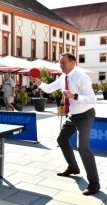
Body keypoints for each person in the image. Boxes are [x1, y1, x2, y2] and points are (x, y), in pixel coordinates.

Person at [33, 52, 99, 195]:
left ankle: (94, 183)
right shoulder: (63, 77)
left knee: (83, 148)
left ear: (72, 62)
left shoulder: (82, 77)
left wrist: (74, 96)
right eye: (60, 62)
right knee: (61, 140)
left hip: (85, 115)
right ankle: (73, 167)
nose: (60, 65)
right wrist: (39, 83)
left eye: (63, 62)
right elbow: (50, 88)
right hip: (72, 115)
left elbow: (92, 99)